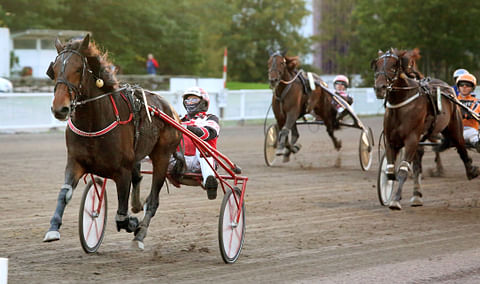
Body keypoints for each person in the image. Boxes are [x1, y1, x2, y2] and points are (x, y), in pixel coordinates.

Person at [170, 86, 220, 200]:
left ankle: (209, 180)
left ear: (203, 102)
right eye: (188, 100)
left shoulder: (210, 118)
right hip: (180, 161)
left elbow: (209, 133)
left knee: (203, 147)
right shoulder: (179, 120)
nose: (190, 102)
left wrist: (186, 128)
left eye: (194, 99)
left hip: (202, 161)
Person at [456, 73, 480, 151]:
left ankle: (477, 143)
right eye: (462, 85)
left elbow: (476, 112)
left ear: (472, 88)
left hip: (471, 130)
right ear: (458, 87)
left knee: (473, 135)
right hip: (455, 130)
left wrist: (469, 115)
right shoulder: (452, 100)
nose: (464, 87)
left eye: (468, 85)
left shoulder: (476, 102)